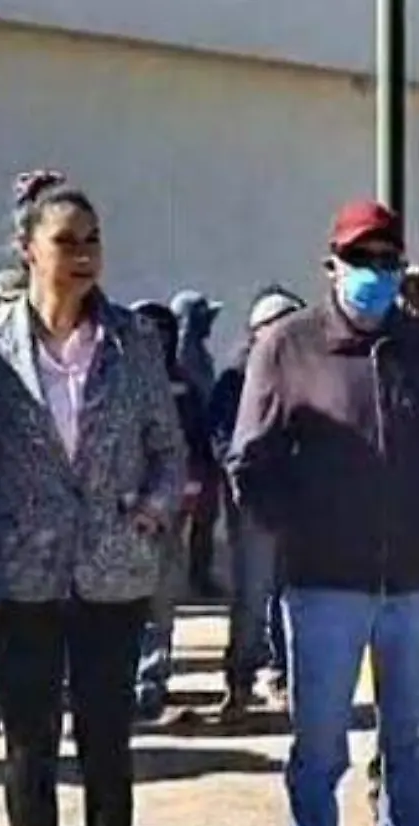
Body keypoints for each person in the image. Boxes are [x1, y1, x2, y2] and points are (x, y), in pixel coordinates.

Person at [0, 170, 186, 826]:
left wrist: (153, 513)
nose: (85, 254)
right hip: (22, 581)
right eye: (67, 240)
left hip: (112, 579)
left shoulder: (134, 342)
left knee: (107, 752)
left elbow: (170, 449)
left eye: (93, 239)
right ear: (27, 251)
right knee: (29, 755)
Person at [229, 199, 419, 826]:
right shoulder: (287, 347)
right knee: (319, 754)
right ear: (331, 265)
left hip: (412, 586)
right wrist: (301, 532)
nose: (375, 275)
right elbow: (250, 461)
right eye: (361, 260)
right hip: (325, 587)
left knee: (412, 748)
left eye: (388, 262)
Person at [209, 286, 304, 718]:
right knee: (251, 595)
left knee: (294, 595)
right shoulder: (235, 378)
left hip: (298, 503)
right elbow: (221, 438)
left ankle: (285, 676)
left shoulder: (308, 371)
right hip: (252, 503)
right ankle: (240, 679)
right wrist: (243, 480)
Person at [127, 299, 209, 725]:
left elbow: (195, 446)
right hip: (120, 514)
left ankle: (150, 683)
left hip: (169, 512)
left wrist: (185, 498)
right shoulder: (115, 384)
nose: (155, 342)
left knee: (160, 602)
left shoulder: (182, 387)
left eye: (162, 334)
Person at [172, 290, 225, 597]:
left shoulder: (199, 354)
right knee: (178, 519)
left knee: (205, 519)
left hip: (204, 449)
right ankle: (177, 581)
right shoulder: (180, 357)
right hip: (188, 452)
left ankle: (199, 576)